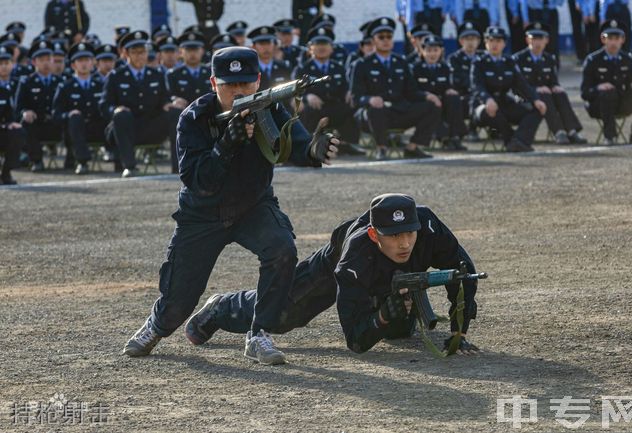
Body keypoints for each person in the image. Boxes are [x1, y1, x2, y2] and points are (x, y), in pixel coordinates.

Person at [122, 46, 339, 365]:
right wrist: (226, 144)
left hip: (253, 206)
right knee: (178, 303)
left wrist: (314, 152)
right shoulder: (194, 119)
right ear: (213, 84)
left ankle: (259, 332)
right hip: (202, 214)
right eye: (229, 85)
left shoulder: (270, 109)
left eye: (246, 84)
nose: (238, 91)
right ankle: (156, 326)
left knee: (281, 249)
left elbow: (294, 143)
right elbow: (198, 180)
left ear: (258, 81)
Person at [184, 193, 481, 356]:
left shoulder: (428, 228)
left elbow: (464, 274)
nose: (404, 243)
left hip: (390, 276)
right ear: (375, 235)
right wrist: (381, 317)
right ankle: (223, 306)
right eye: (394, 236)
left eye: (409, 233)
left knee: (400, 332)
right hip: (333, 265)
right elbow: (355, 341)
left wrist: (460, 332)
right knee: (284, 316)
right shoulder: (355, 255)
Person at [351, 17, 439, 160]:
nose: (386, 40)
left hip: (398, 111)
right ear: (373, 41)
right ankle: (382, 148)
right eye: (381, 37)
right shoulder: (362, 64)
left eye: (389, 37)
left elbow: (411, 92)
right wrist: (370, 99)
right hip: (371, 114)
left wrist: (427, 95)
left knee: (433, 105)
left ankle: (413, 146)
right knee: (375, 109)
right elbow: (356, 97)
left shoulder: (401, 62)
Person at [99, 31, 178, 177]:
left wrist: (168, 103)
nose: (140, 56)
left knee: (175, 113)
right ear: (125, 54)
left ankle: (178, 167)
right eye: (135, 52)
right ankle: (130, 166)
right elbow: (104, 105)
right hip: (125, 129)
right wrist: (115, 110)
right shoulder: (116, 76)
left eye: (142, 52)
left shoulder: (156, 75)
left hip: (149, 128)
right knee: (121, 115)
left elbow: (164, 99)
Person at [470, 26, 546, 152]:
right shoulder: (479, 62)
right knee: (492, 112)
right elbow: (477, 86)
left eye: (498, 41)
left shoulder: (509, 61)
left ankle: (519, 141)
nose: (494, 44)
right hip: (482, 105)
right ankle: (512, 141)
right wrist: (487, 99)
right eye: (491, 41)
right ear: (486, 42)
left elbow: (522, 85)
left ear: (504, 44)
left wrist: (536, 99)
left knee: (537, 110)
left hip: (504, 102)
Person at [294, 27, 364, 155]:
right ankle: (309, 145)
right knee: (306, 110)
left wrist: (348, 92)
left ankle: (346, 144)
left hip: (333, 106)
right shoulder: (303, 69)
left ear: (331, 48)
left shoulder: (338, 68)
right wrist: (307, 96)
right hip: (314, 109)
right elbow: (294, 91)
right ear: (310, 48)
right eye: (317, 44)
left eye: (325, 44)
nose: (322, 47)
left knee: (350, 108)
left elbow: (345, 88)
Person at [513, 23, 587, 144]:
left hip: (545, 95)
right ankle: (558, 132)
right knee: (544, 95)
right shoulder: (518, 59)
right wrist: (535, 89)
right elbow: (517, 87)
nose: (537, 43)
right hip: (525, 97)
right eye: (534, 39)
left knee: (560, 93)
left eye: (540, 39)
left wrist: (555, 87)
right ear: (527, 40)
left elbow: (553, 81)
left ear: (546, 40)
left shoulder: (549, 59)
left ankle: (572, 131)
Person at [581, 20, 632, 145]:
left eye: (617, 38)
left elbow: (630, 85)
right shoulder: (593, 60)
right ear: (603, 39)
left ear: (622, 40)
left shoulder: (627, 59)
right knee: (608, 92)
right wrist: (598, 88)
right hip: (598, 105)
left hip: (620, 102)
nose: (613, 42)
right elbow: (585, 93)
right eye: (610, 38)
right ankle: (610, 136)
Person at [52, 43, 106, 175]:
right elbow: (56, 114)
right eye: (80, 61)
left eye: (87, 60)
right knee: (75, 118)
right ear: (73, 65)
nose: (84, 64)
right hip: (75, 132)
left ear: (93, 63)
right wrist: (69, 115)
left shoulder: (101, 85)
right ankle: (82, 162)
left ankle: (118, 160)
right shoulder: (65, 86)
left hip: (96, 129)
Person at [165, 31, 212, 173]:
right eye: (188, 50)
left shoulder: (210, 71)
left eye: (196, 50)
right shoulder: (173, 74)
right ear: (181, 52)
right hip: (184, 115)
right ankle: (178, 166)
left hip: (208, 113)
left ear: (202, 51)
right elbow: (168, 95)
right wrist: (174, 99)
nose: (192, 54)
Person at [411, 35, 467, 151]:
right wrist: (428, 96)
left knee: (454, 98)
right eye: (429, 50)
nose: (432, 54)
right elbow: (413, 91)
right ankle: (444, 138)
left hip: (442, 102)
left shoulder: (445, 68)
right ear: (422, 51)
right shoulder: (416, 68)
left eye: (436, 50)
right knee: (433, 106)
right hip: (424, 103)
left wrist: (450, 90)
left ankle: (455, 136)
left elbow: (448, 86)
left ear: (441, 51)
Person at [15, 40, 64, 172]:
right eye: (41, 59)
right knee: (26, 122)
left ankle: (72, 158)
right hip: (37, 125)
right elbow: (18, 108)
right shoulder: (26, 82)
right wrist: (25, 112)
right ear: (34, 62)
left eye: (49, 59)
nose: (46, 63)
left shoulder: (60, 81)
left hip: (55, 123)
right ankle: (36, 160)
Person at [447, 22, 483, 142]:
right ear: (461, 41)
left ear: (478, 41)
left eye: (473, 39)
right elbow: (456, 80)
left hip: (483, 94)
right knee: (473, 100)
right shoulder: (454, 58)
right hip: (464, 95)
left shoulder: (483, 57)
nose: (471, 42)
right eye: (467, 39)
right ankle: (471, 130)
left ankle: (496, 130)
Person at [0, 45, 24, 185]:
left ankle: (6, 171)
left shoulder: (17, 84)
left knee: (18, 131)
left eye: (6, 63)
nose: (3, 67)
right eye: (0, 64)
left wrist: (10, 123)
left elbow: (9, 112)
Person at [247, 26, 292, 91]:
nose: (266, 47)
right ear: (254, 47)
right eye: (262, 43)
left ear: (274, 45)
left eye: (268, 43)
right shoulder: (249, 70)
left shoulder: (284, 67)